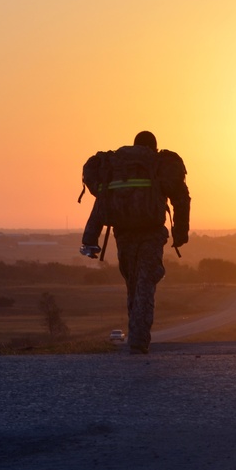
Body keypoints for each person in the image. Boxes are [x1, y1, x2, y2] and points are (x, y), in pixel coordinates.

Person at [80, 131, 190, 354]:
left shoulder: (117, 167)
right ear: (154, 148)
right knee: (145, 284)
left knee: (133, 285)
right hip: (150, 234)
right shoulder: (158, 164)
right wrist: (180, 234)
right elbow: (180, 198)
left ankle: (136, 336)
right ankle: (139, 340)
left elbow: (101, 204)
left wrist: (90, 240)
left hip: (124, 234)